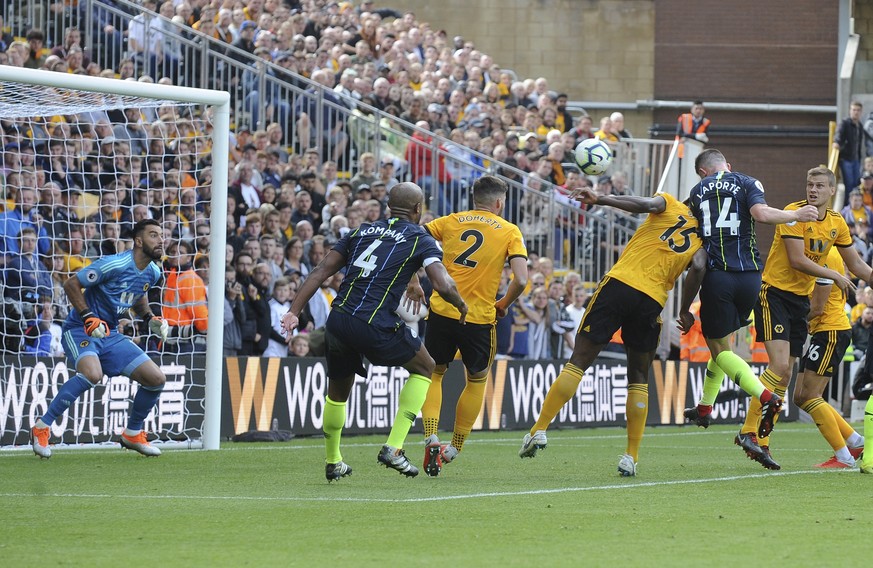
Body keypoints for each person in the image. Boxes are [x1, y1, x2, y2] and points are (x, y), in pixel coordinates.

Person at [280, 183, 468, 482]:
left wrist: (293, 311)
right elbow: (444, 285)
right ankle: (394, 447)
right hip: (373, 321)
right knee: (426, 367)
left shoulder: (359, 231)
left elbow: (320, 271)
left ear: (387, 205)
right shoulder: (421, 237)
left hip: (339, 320)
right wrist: (461, 306)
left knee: (338, 392)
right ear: (418, 210)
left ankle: (333, 461)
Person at [519, 187, 705, 477]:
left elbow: (643, 203)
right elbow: (700, 266)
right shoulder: (703, 241)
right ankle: (631, 456)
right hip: (653, 299)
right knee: (639, 376)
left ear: (689, 200)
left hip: (620, 284)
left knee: (579, 360)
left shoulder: (670, 204)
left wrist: (601, 198)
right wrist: (683, 310)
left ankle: (539, 429)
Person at [679, 149, 819, 466]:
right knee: (724, 344)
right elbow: (761, 214)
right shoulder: (746, 181)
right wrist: (795, 214)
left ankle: (765, 396)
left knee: (718, 348)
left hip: (718, 278)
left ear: (702, 172)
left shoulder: (697, 191)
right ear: (727, 166)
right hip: (752, 279)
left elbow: (688, 234)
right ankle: (704, 407)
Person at [736, 166, 873, 469]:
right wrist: (833, 274)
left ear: (831, 191)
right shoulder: (794, 213)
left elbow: (860, 267)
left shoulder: (837, 223)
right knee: (781, 365)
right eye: (810, 185)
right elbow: (798, 261)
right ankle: (748, 430)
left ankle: (762, 440)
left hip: (799, 302)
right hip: (774, 294)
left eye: (820, 186)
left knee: (784, 378)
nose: (812, 190)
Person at [417, 176, 529, 477]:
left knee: (433, 374)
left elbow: (413, 236)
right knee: (476, 380)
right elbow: (520, 279)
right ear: (500, 203)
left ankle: (430, 436)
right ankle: (453, 448)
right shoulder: (509, 230)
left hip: (442, 310)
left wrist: (414, 279)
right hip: (479, 317)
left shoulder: (450, 221)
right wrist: (503, 305)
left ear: (473, 198)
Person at [30, 219, 170, 459]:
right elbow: (71, 283)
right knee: (92, 374)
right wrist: (88, 317)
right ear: (138, 241)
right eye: (154, 235)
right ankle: (41, 427)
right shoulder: (113, 264)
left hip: (110, 334)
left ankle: (133, 433)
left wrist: (149, 318)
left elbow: (137, 294)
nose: (160, 240)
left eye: (161, 235)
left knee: (156, 378)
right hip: (80, 329)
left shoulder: (154, 271)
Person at [796, 248, 865, 469]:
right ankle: (855, 442)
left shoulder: (824, 254)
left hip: (830, 330)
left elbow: (817, 308)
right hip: (823, 330)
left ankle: (844, 456)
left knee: (809, 395)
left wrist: (794, 320)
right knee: (800, 396)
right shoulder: (823, 251)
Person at [833, 101, 867, 194]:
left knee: (856, 184)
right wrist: (836, 142)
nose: (856, 112)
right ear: (850, 111)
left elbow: (859, 144)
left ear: (861, 112)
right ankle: (849, 206)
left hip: (856, 159)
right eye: (854, 110)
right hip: (846, 158)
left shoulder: (859, 125)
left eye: (858, 110)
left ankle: (855, 204)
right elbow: (838, 134)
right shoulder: (845, 123)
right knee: (849, 184)